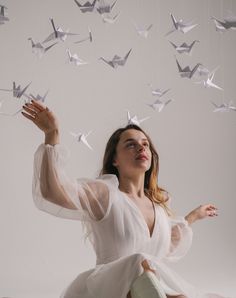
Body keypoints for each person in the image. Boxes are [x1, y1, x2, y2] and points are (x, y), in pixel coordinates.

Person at [22, 100, 226, 298]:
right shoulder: (105, 194)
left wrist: (193, 216)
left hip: (151, 290)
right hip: (108, 290)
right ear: (115, 159)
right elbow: (52, 192)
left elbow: (164, 245)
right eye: (131, 144)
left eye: (145, 144)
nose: (141, 148)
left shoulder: (160, 207)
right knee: (139, 261)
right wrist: (52, 134)